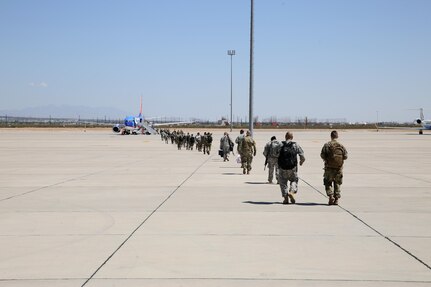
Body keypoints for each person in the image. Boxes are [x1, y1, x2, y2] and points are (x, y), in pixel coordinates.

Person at [320, 130, 348, 205]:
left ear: (331, 136)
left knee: (327, 182)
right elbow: (345, 156)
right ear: (337, 136)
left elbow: (322, 155)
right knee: (337, 183)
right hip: (338, 168)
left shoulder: (327, 145)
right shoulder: (341, 146)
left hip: (329, 168)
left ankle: (330, 196)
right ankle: (336, 200)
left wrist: (326, 159)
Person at [278, 132, 305, 204]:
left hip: (282, 168)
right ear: (292, 137)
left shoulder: (280, 145)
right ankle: (292, 192)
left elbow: (275, 154)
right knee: (294, 180)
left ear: (285, 137)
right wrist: (301, 162)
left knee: (283, 182)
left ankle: (286, 198)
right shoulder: (295, 145)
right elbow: (302, 155)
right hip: (292, 168)